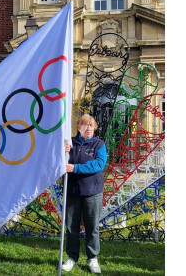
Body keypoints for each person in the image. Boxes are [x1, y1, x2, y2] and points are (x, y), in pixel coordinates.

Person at [61, 114, 107, 274]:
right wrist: (62, 150)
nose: (88, 128)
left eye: (91, 126)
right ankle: (72, 257)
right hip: (72, 191)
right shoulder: (69, 144)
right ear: (78, 127)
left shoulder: (99, 145)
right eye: (84, 125)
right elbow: (58, 161)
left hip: (92, 192)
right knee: (71, 227)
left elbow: (98, 164)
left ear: (94, 128)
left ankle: (92, 258)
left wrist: (76, 168)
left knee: (92, 227)